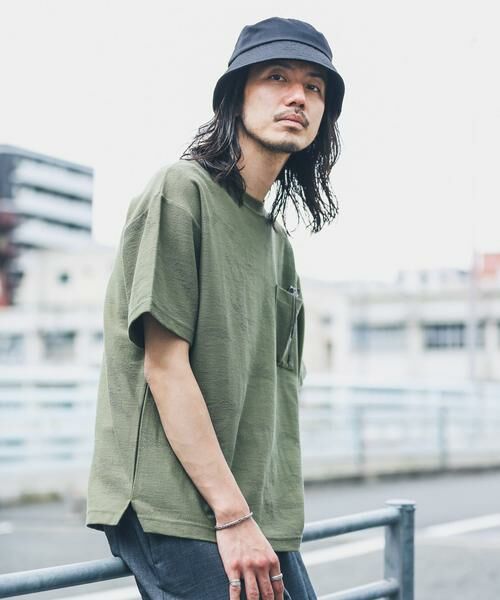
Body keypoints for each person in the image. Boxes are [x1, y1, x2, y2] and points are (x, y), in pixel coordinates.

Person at [86, 16, 345, 600]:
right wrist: (233, 516)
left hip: (252, 510)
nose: (298, 96)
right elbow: (164, 366)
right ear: (235, 96)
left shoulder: (277, 244)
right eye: (277, 77)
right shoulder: (181, 192)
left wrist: (252, 516)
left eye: (314, 87)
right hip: (177, 506)